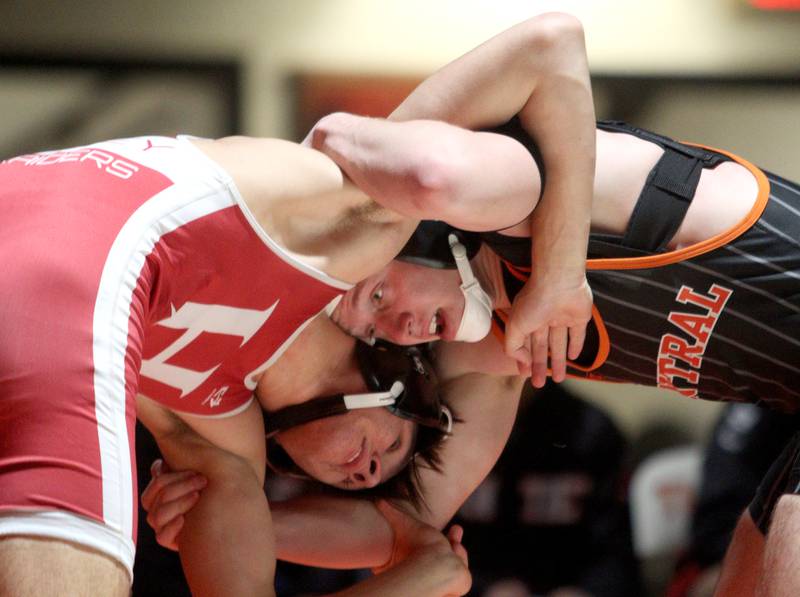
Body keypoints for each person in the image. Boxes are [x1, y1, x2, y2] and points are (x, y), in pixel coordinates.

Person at [1, 12, 597, 594]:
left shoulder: (219, 429)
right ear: (394, 363)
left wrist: (417, 577)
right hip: (86, 260)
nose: (366, 472)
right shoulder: (338, 246)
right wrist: (559, 275)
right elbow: (547, 42)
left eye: (361, 483)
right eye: (391, 443)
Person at [312, 106, 800, 594]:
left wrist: (560, 275)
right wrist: (241, 509)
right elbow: (401, 524)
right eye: (376, 332)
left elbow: (552, 37)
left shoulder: (507, 196)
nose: (399, 330)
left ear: (411, 232)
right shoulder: (498, 345)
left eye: (378, 296)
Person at [453, 381, 640, 597]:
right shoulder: (443, 423)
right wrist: (483, 587)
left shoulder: (592, 431)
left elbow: (621, 551)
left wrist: (584, 590)